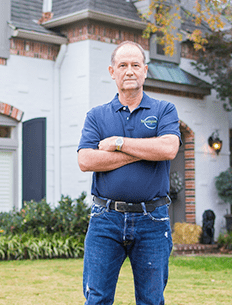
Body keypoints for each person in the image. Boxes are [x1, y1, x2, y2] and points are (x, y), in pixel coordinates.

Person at [77, 41, 181, 305]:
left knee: (151, 299)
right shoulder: (97, 116)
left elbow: (169, 148)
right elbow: (86, 160)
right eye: (123, 65)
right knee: (97, 298)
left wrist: (117, 143)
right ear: (112, 71)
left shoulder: (164, 110)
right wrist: (144, 151)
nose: (130, 71)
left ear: (145, 71)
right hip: (105, 219)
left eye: (135, 65)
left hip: (153, 220)